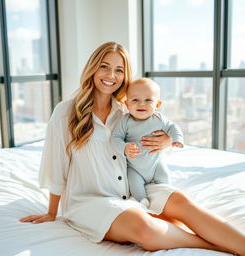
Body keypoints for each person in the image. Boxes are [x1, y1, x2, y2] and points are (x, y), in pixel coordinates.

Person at [19, 42, 245, 255]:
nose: (111, 76)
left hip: (136, 188)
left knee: (182, 202)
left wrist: (166, 141)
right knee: (144, 228)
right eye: (104, 67)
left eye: (119, 70)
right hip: (90, 200)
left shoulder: (128, 108)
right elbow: (56, 165)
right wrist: (51, 212)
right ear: (92, 69)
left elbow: (160, 130)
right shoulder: (66, 112)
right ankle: (219, 248)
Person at [111, 78, 184, 207]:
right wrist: (125, 147)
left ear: (158, 104)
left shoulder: (159, 119)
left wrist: (177, 139)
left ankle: (167, 195)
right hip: (134, 168)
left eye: (148, 100)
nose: (141, 104)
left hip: (155, 164)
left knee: (164, 176)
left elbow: (173, 127)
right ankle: (142, 199)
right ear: (127, 104)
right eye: (135, 100)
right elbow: (115, 138)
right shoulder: (125, 121)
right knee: (134, 182)